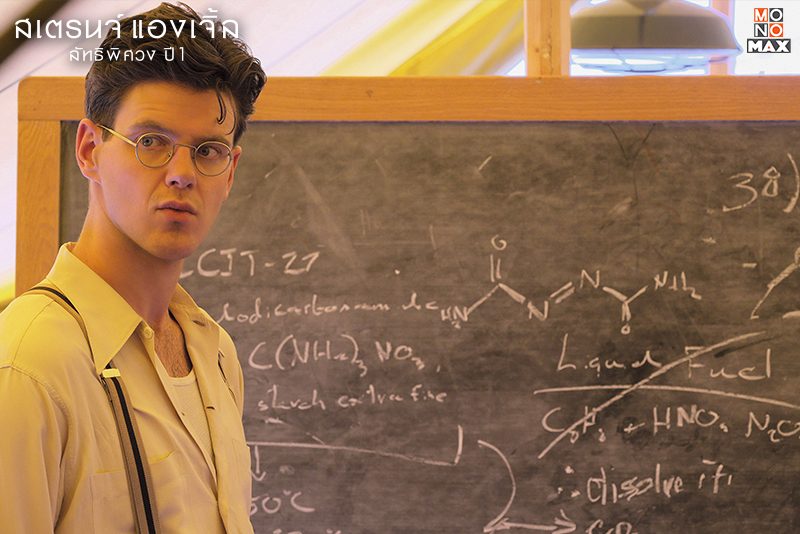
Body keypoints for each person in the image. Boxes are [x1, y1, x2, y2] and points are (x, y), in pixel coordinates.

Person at [0, 3, 265, 533]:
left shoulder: (215, 354)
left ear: (230, 171)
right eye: (151, 142)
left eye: (208, 150)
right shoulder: (28, 364)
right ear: (89, 149)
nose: (182, 173)